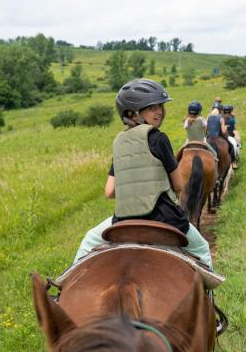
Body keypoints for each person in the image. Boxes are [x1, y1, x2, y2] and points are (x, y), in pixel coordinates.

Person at [74, 79, 213, 270]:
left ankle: (63, 291)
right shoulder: (159, 138)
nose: (159, 111)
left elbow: (109, 191)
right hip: (166, 218)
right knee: (203, 249)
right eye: (151, 107)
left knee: (89, 240)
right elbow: (179, 185)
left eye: (160, 106)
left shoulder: (119, 142)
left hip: (124, 221)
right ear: (132, 113)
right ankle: (208, 297)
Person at [206, 104, 237, 169]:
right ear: (221, 111)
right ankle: (233, 162)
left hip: (209, 137)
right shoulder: (221, 118)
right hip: (219, 136)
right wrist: (225, 128)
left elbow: (206, 130)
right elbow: (223, 131)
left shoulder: (208, 117)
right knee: (231, 146)